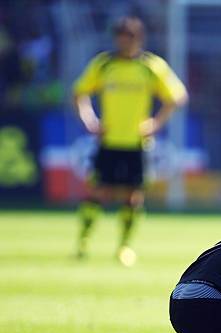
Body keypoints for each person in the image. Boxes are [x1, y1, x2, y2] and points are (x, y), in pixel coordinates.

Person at [73, 16, 187, 266]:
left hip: (136, 143)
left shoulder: (150, 66)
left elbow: (177, 97)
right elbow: (80, 92)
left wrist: (155, 123)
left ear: (138, 39)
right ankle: (83, 241)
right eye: (120, 38)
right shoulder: (104, 65)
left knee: (133, 196)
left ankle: (124, 246)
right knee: (98, 192)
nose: (124, 43)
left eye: (129, 38)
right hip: (109, 141)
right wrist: (90, 120)